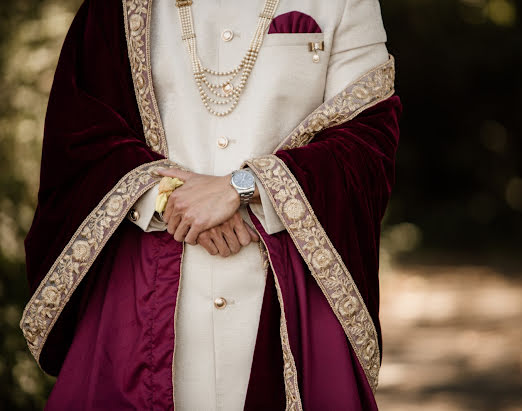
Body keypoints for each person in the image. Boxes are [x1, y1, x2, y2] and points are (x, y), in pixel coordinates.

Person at [20, 0, 401, 409]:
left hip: (291, 293)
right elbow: (80, 130)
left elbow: (367, 140)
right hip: (141, 300)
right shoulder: (115, 7)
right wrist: (168, 197)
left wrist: (244, 187)